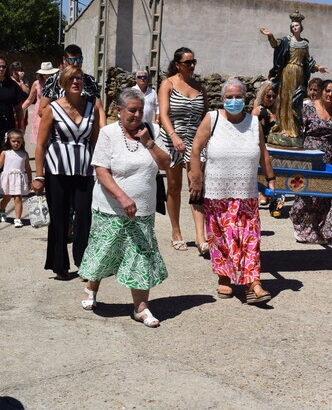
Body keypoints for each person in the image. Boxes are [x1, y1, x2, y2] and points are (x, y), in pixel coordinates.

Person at [77, 88, 171, 327]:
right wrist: (122, 197)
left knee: (141, 257)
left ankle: (141, 308)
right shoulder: (108, 133)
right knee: (104, 252)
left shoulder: (153, 131)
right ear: (118, 111)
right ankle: (91, 288)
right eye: (132, 110)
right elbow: (101, 170)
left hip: (143, 210)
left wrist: (148, 143)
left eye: (141, 110)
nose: (137, 115)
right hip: (110, 207)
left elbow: (166, 163)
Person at [188, 78, 277, 304]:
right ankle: (225, 277)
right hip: (217, 192)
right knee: (222, 239)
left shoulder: (254, 122)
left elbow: (263, 152)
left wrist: (271, 179)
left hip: (246, 193)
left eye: (238, 96)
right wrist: (196, 180)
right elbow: (196, 149)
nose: (234, 100)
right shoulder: (213, 119)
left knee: (249, 239)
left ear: (245, 99)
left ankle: (252, 283)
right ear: (222, 99)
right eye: (229, 97)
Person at [33, 66, 101, 281]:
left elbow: (96, 141)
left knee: (84, 216)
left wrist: (100, 169)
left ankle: (84, 263)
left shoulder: (92, 108)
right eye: (71, 79)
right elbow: (41, 144)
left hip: (83, 170)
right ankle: (59, 265)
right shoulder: (52, 109)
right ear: (63, 83)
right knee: (59, 217)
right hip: (57, 169)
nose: (76, 82)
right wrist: (39, 175)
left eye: (79, 79)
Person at [157, 47, 208, 253]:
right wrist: (174, 136)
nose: (192, 66)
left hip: (195, 142)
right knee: (175, 186)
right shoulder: (167, 84)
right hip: (173, 140)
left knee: (196, 185)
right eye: (187, 62)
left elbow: (205, 116)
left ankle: (200, 237)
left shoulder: (201, 87)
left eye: (193, 61)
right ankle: (176, 231)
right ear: (178, 65)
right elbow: (164, 115)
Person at [289, 79, 332, 244]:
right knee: (306, 193)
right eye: (327, 91)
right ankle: (301, 227)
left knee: (325, 196)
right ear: (322, 91)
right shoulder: (308, 108)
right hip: (309, 155)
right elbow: (297, 132)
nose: (330, 95)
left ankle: (317, 229)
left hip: (330, 156)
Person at [260, 10, 328, 146]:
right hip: (287, 72)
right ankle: (282, 128)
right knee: (284, 99)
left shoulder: (304, 44)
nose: (294, 27)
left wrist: (318, 68)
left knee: (294, 101)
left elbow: (307, 61)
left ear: (301, 27)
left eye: (296, 25)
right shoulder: (286, 41)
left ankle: (293, 129)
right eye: (292, 26)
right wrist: (270, 36)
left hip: (299, 74)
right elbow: (276, 45)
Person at [39, 44, 107, 127]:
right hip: (60, 131)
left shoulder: (90, 81)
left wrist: (105, 132)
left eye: (79, 59)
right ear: (64, 60)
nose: (76, 63)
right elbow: (42, 110)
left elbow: (99, 108)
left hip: (86, 131)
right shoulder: (52, 81)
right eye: (71, 60)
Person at [251, 82, 282, 215]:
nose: (270, 99)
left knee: (274, 170)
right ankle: (263, 194)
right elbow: (252, 128)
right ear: (263, 95)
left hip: (274, 145)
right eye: (268, 96)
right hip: (261, 144)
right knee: (261, 169)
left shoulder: (277, 111)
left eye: (273, 96)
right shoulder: (258, 110)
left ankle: (273, 197)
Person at [22, 62, 58, 149]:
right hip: (39, 112)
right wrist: (20, 109)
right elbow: (30, 99)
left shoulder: (58, 83)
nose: (47, 76)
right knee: (41, 137)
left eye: (49, 74)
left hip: (53, 110)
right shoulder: (36, 83)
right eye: (45, 74)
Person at [0, 129, 32, 227]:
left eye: (19, 141)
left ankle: (18, 219)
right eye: (13, 141)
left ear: (22, 141)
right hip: (7, 179)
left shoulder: (24, 154)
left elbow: (27, 168)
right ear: (9, 141)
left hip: (19, 179)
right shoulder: (5, 153)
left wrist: (30, 180)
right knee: (6, 197)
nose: (16, 143)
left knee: (18, 198)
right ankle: (1, 210)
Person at [0, 56, 27, 144]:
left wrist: (21, 127)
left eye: (3, 66)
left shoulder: (12, 85)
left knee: (6, 153)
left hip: (7, 126)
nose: (1, 69)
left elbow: (18, 108)